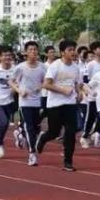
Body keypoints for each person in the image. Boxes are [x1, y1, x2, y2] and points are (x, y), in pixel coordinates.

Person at [37, 40, 83, 172]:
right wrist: (63, 90)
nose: (73, 52)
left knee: (70, 133)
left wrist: (79, 93)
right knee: (54, 132)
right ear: (62, 52)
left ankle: (68, 161)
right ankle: (43, 138)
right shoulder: (55, 66)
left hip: (70, 104)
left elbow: (77, 84)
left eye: (74, 49)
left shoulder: (76, 67)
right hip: (55, 104)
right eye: (69, 50)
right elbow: (46, 84)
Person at [10, 41, 46, 166]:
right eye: (30, 50)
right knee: (29, 127)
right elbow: (11, 81)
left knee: (36, 128)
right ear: (26, 52)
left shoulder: (42, 67)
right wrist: (19, 90)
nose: (33, 52)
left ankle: (20, 135)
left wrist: (40, 86)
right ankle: (32, 154)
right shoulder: (20, 67)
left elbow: (47, 81)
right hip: (24, 102)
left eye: (35, 49)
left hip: (37, 101)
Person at [82, 41, 100, 148]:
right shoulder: (91, 64)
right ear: (94, 50)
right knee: (91, 118)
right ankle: (85, 136)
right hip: (93, 96)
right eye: (99, 48)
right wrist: (88, 91)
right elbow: (85, 80)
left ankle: (96, 134)